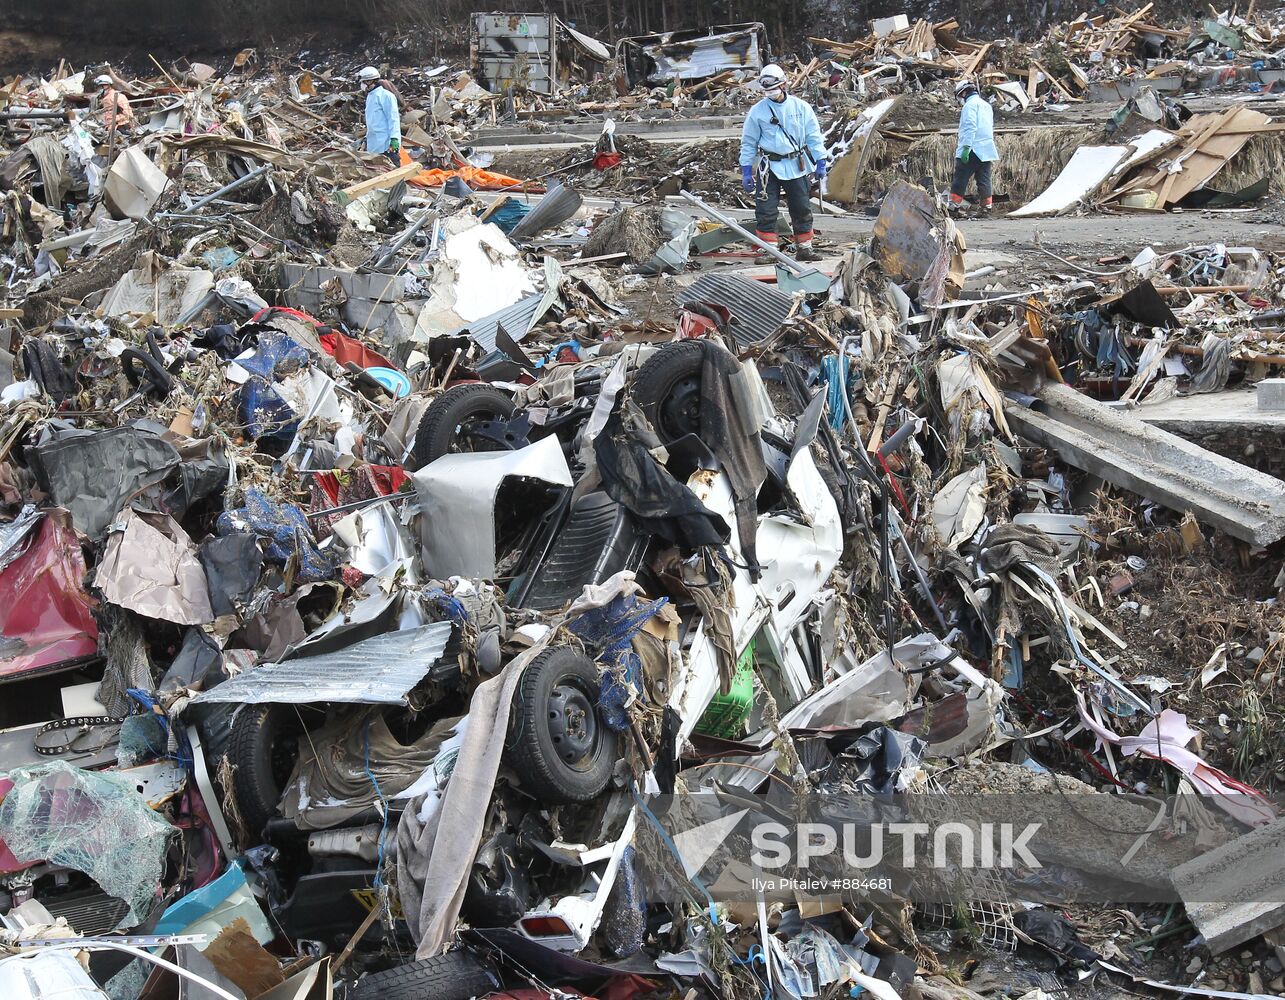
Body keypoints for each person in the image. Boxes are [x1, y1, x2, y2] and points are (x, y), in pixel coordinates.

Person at [739, 63, 827, 263]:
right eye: (766, 90)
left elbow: (814, 136)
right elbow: (749, 142)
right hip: (768, 167)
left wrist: (820, 160)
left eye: (773, 89)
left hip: (795, 164)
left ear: (784, 85)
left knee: (801, 207)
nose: (770, 93)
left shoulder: (800, 107)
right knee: (766, 209)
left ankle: (804, 248)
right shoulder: (757, 112)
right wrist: (746, 170)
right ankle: (770, 251)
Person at [950, 79, 998, 214]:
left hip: (971, 148)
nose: (960, 99)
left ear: (964, 92)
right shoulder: (986, 105)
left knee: (961, 178)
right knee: (984, 179)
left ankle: (953, 207)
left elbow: (970, 127)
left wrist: (965, 147)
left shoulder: (969, 106)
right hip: (986, 149)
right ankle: (986, 208)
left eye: (960, 96)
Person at [359, 66, 401, 165]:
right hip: (374, 143)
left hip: (387, 143)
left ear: (370, 81)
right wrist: (366, 137)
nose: (362, 85)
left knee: (393, 171)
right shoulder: (370, 96)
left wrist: (394, 139)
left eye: (364, 82)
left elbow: (393, 119)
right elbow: (373, 120)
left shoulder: (386, 96)